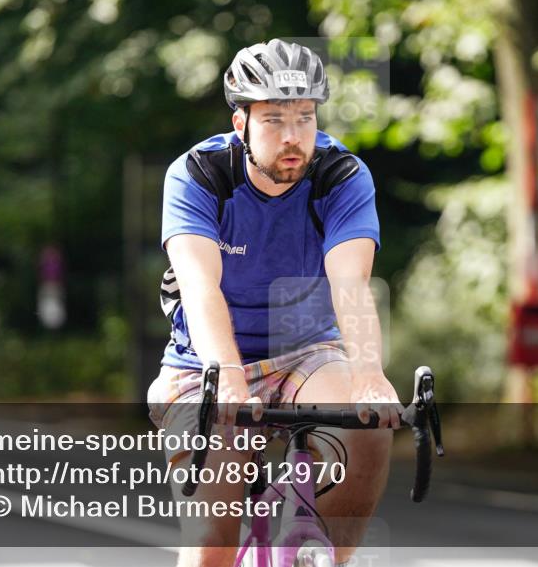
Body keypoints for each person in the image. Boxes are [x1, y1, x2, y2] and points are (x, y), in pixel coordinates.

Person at [148, 39, 401, 567]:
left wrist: (371, 375)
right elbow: (199, 286)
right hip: (206, 367)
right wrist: (231, 380)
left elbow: (350, 284)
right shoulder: (198, 175)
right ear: (240, 123)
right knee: (210, 548)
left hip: (305, 352)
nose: (293, 137)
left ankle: (328, 558)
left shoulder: (341, 175)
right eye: (274, 119)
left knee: (370, 426)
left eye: (305, 118)